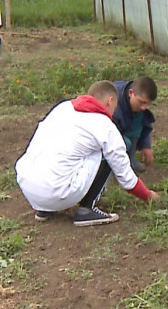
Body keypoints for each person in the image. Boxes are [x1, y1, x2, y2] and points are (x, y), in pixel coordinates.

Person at [15, 81, 160, 226]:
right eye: (114, 108)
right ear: (110, 101)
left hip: (28, 187)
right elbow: (125, 177)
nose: (113, 113)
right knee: (106, 151)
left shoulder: (63, 107)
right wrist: (148, 196)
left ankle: (45, 210)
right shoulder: (105, 126)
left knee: (58, 144)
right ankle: (86, 209)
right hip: (59, 193)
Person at [112, 77, 157, 173]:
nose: (144, 107)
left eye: (147, 104)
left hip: (121, 126)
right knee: (125, 143)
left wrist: (146, 145)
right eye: (142, 102)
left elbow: (144, 125)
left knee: (140, 117)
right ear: (131, 93)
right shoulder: (113, 103)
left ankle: (130, 160)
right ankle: (117, 167)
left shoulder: (135, 99)